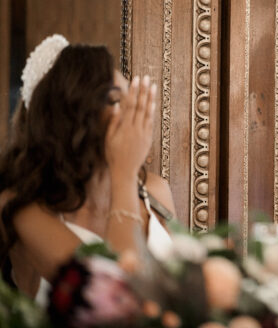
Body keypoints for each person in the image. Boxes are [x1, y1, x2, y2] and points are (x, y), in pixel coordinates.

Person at [0, 34, 176, 305]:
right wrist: (124, 174)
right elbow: (113, 303)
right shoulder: (21, 209)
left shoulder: (155, 191)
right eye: (117, 100)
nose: (133, 115)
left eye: (133, 101)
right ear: (72, 114)